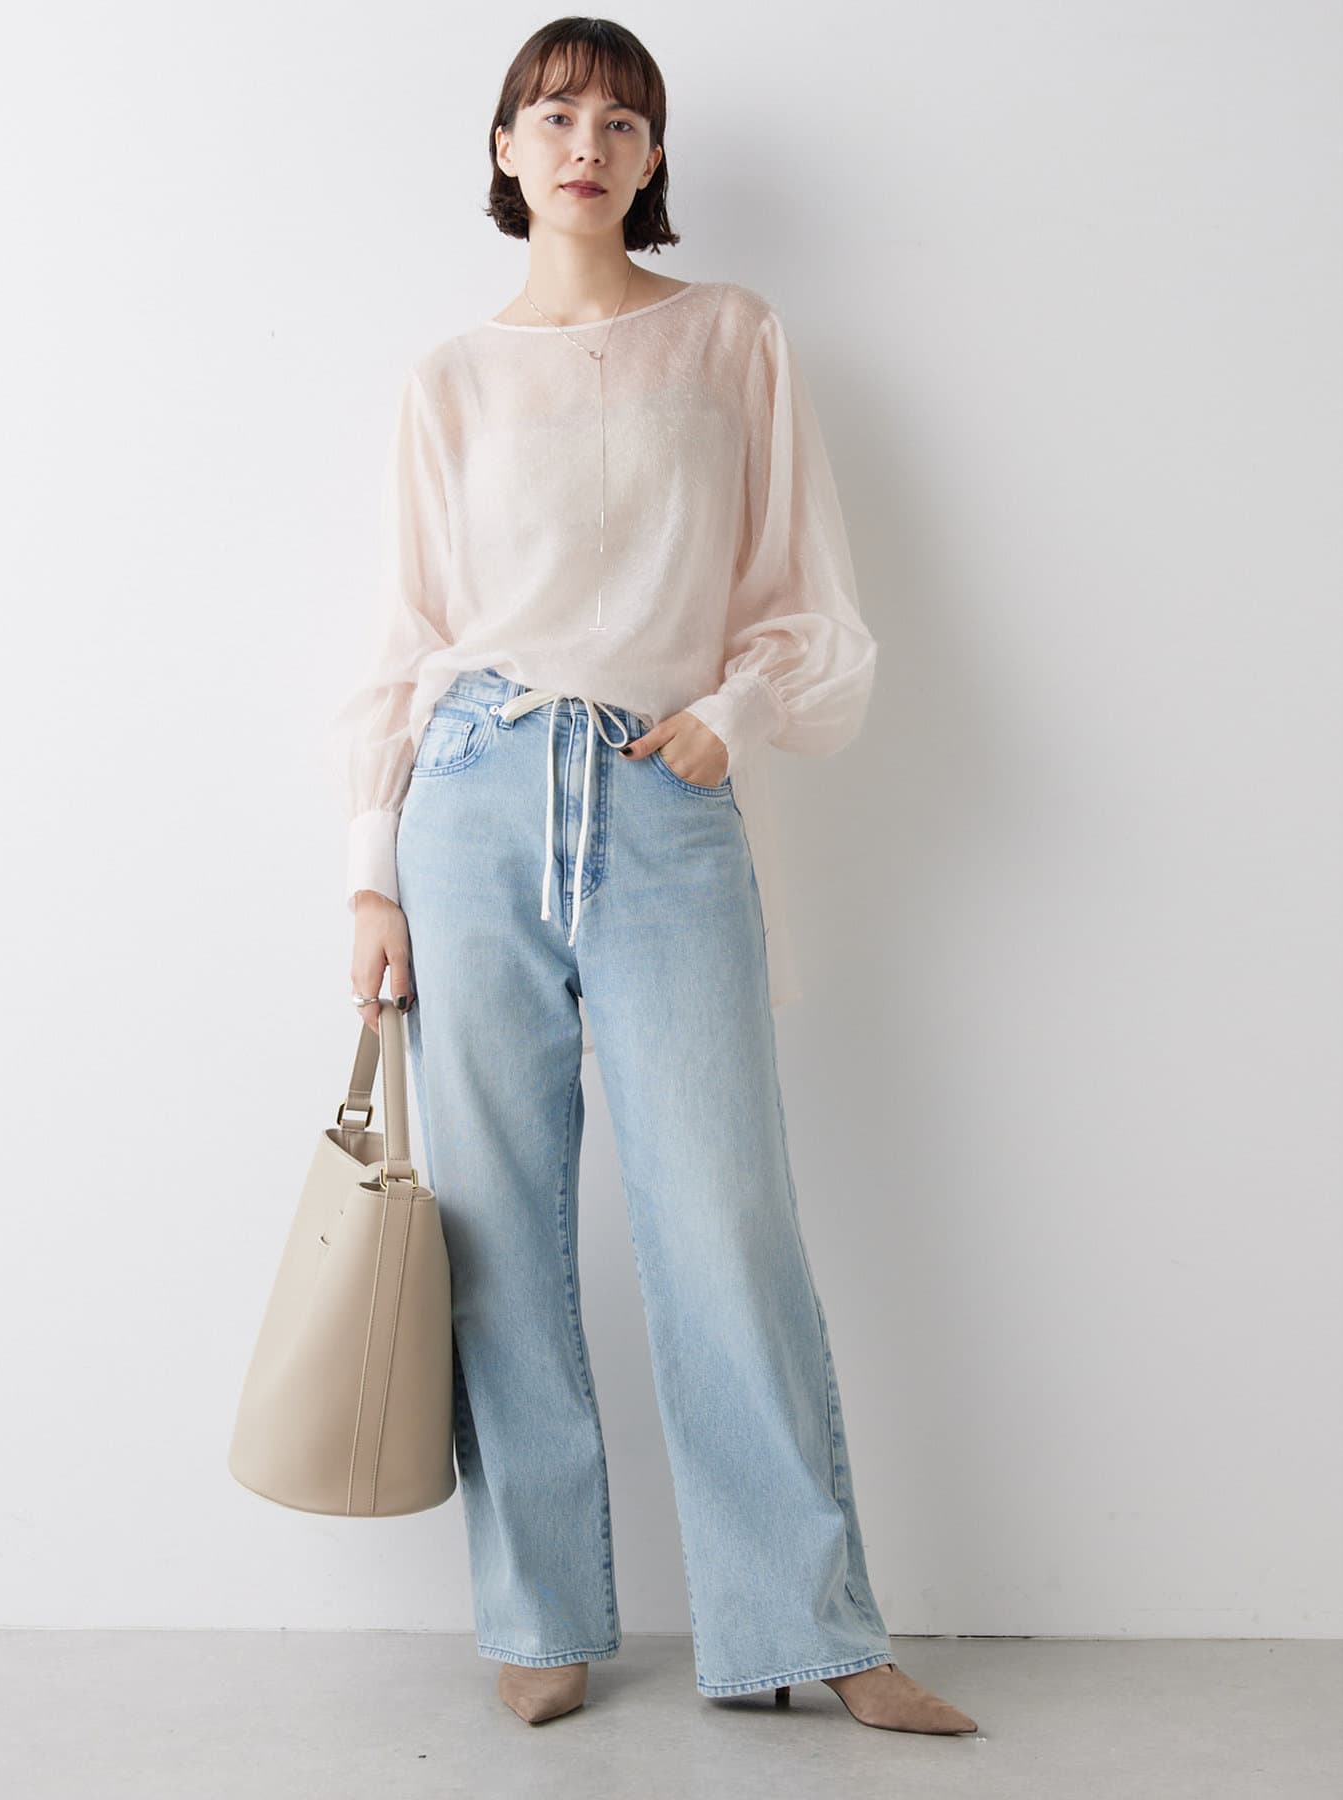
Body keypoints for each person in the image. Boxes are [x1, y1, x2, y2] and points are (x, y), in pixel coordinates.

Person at [336, 18, 978, 1736]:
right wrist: (371, 872)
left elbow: (801, 591)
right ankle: (539, 1611)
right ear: (503, 148)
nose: (587, 144)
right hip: (471, 796)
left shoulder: (731, 338)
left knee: (725, 1219)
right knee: (496, 1226)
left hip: (661, 794)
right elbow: (401, 636)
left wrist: (732, 717)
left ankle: (809, 1627)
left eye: (622, 122)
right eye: (554, 115)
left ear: (654, 158)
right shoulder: (449, 379)